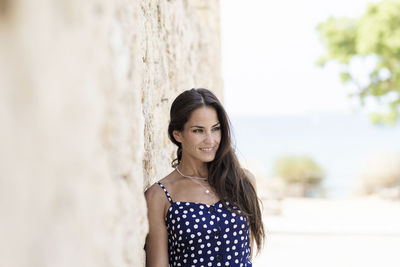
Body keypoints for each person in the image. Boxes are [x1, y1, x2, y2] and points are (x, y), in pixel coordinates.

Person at [144, 88, 265, 267]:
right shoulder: (159, 195)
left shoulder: (243, 182)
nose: (210, 140)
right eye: (198, 131)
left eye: (215, 129)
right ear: (178, 134)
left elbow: (246, 256)